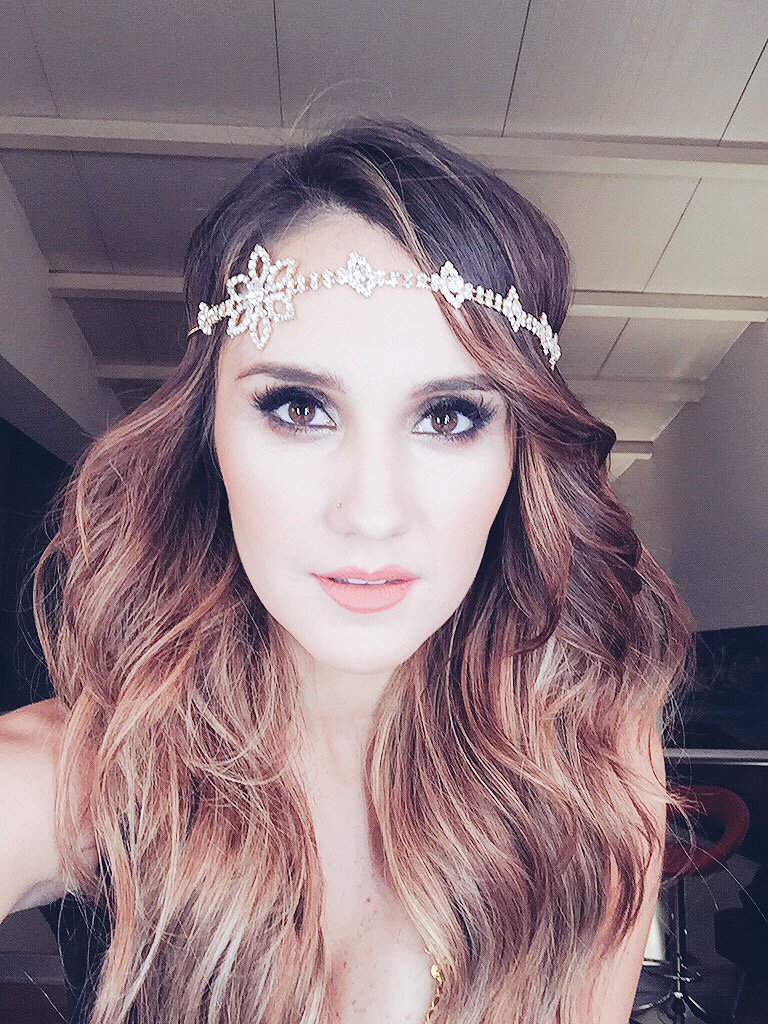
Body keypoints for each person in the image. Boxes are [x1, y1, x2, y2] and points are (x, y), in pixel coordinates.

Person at [0, 114, 696, 1024]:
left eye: (449, 416)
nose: (371, 514)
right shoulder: (77, 772)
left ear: (519, 452)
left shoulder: (589, 750)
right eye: (299, 407)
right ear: (207, 436)